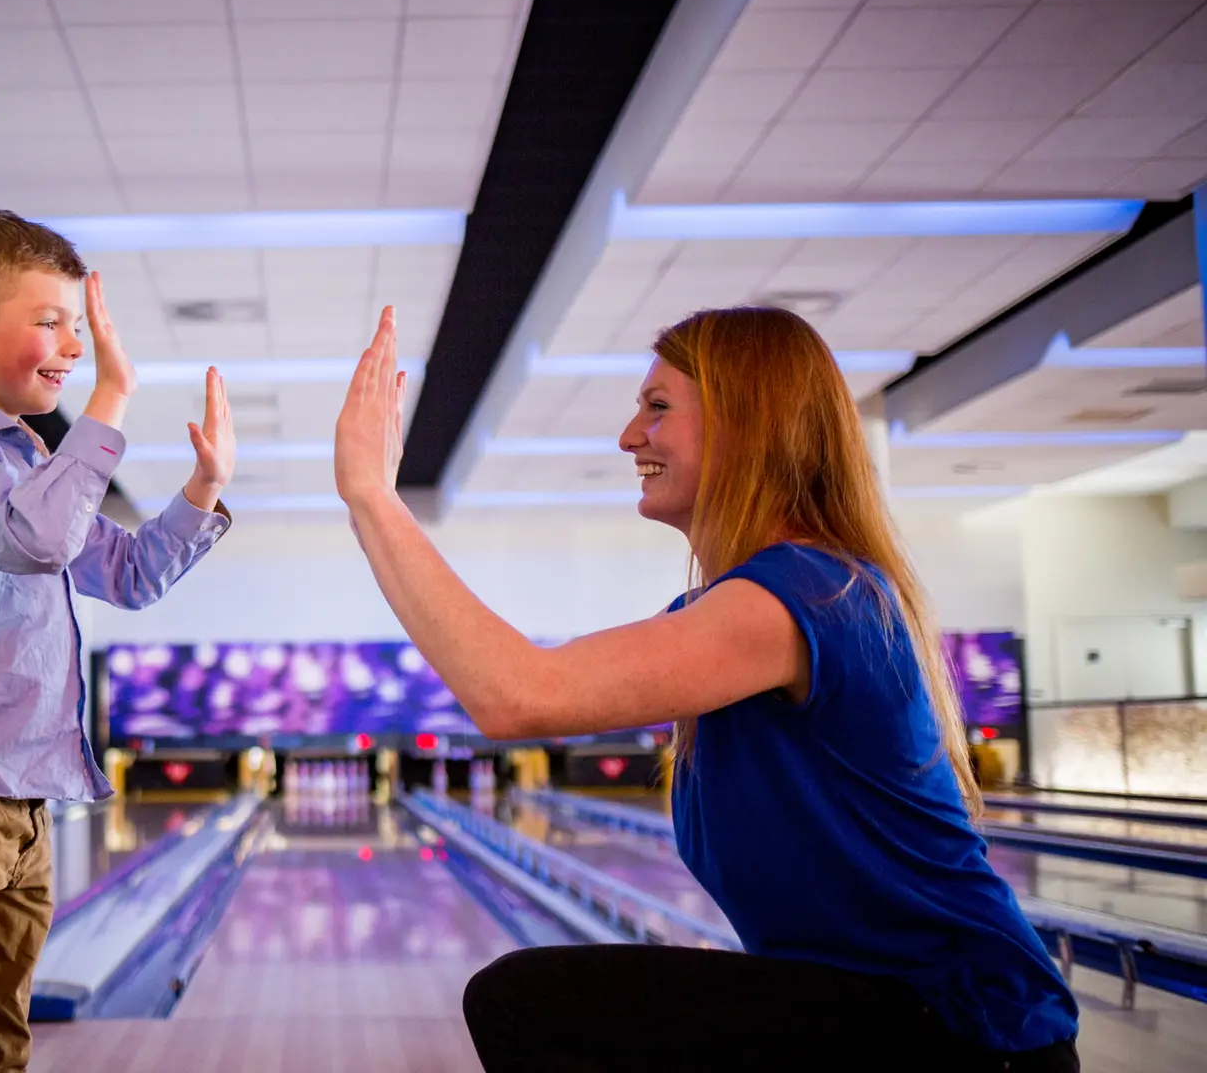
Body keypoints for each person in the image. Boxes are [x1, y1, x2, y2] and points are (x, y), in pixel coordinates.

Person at [332, 305, 1079, 1071]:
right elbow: (520, 685)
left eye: (657, 408)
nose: (629, 437)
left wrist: (373, 498)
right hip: (888, 1015)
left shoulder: (806, 595)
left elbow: (517, 693)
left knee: (527, 1001)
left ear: (746, 424)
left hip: (964, 1031)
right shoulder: (746, 606)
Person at [0, 209, 235, 1073]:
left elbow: (127, 574)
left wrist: (202, 491)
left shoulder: (29, 464)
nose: (72, 345)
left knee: (0, 1047)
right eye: (52, 321)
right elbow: (38, 542)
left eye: (77, 324)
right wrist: (111, 399)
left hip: (21, 800)